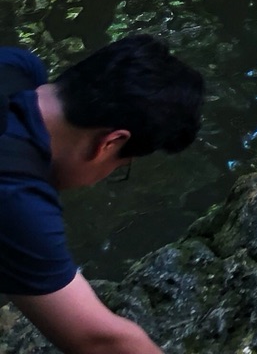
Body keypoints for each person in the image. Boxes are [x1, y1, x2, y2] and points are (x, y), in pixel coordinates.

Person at [0, 35, 204, 354]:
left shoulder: (15, 64)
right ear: (109, 143)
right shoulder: (16, 196)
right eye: (120, 166)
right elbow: (100, 342)